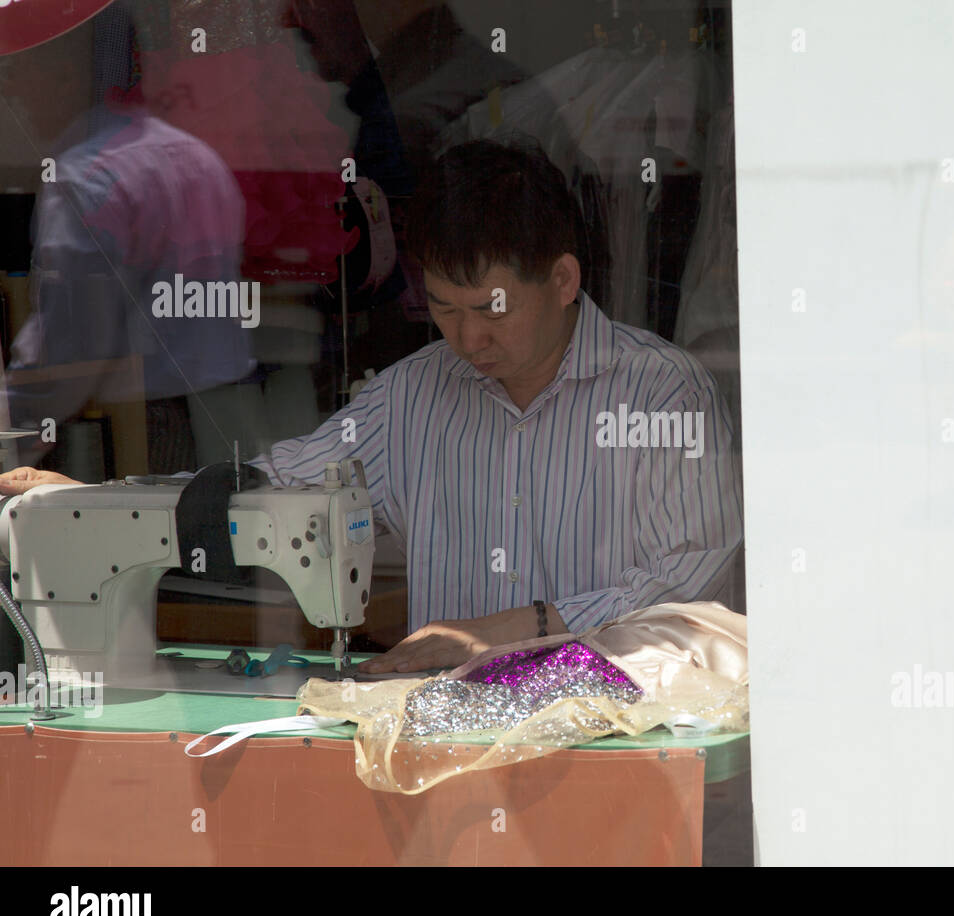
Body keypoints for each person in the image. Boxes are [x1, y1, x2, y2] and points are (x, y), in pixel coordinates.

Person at [0, 140, 744, 674]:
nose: (470, 339)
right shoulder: (414, 394)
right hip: (440, 738)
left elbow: (696, 585)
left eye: (492, 310)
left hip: (610, 742)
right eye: (447, 312)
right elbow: (284, 485)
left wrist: (508, 633)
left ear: (563, 278)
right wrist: (109, 511)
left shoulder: (661, 393)